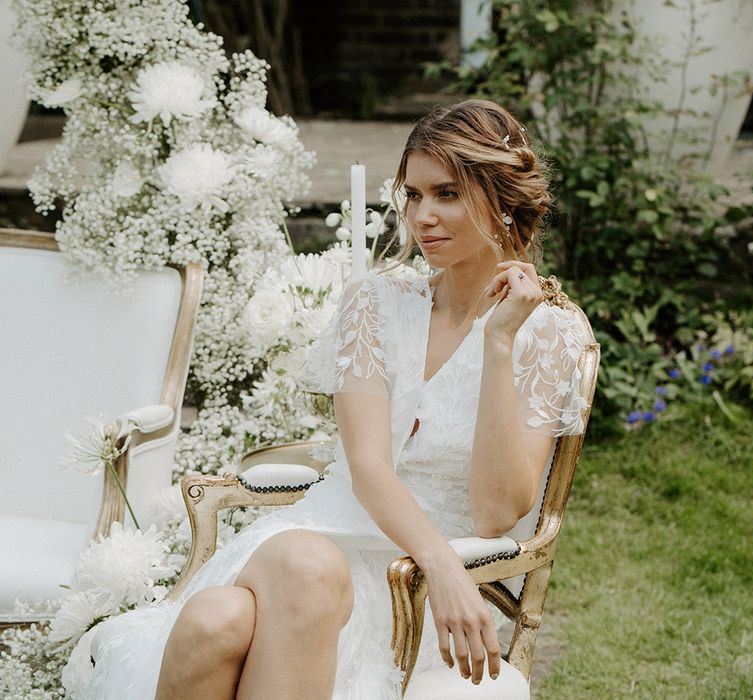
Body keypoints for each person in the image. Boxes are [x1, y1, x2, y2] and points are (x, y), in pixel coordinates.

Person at [82, 99, 592, 700]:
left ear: (502, 199)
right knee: (307, 563)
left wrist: (499, 343)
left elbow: (494, 513)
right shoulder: (375, 304)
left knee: (216, 621)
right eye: (413, 194)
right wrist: (442, 562)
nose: (422, 216)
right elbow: (368, 467)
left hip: (414, 593)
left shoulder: (551, 334)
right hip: (323, 542)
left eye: (447, 194)